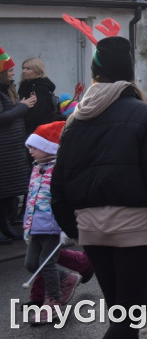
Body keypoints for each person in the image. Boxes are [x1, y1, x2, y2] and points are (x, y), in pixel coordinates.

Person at [50, 36, 147, 337]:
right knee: (127, 317)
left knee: (120, 309)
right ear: (130, 73)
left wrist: (71, 226)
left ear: (95, 73)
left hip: (90, 227)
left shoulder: (74, 121)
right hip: (133, 227)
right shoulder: (146, 115)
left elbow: (59, 181)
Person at [23, 120, 81, 321]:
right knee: (32, 264)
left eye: (35, 147)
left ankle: (53, 302)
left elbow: (67, 199)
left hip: (53, 226)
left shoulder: (59, 169)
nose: (30, 151)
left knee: (45, 264)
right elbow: (31, 200)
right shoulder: (36, 168)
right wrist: (27, 226)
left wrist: (66, 227)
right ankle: (67, 277)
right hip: (36, 227)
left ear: (49, 148)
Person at [0, 47, 33, 244]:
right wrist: (23, 107)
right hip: (4, 150)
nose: (14, 74)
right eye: (10, 70)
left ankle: (6, 226)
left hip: (10, 150)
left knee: (8, 194)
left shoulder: (7, 89)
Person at [17, 57, 59, 137]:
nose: (24, 71)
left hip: (37, 129)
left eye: (28, 69)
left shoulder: (40, 88)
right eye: (23, 68)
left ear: (37, 71)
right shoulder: (24, 85)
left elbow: (41, 112)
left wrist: (24, 122)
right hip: (28, 128)